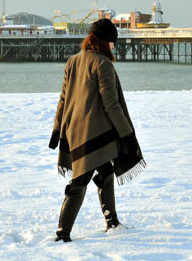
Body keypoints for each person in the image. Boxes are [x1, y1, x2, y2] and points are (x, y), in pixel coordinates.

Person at [48, 19, 146, 242]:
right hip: (93, 134)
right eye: (112, 42)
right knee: (79, 180)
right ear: (103, 41)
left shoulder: (72, 61)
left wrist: (57, 130)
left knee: (105, 172)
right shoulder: (103, 65)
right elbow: (111, 105)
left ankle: (112, 222)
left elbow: (63, 100)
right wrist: (127, 134)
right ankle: (63, 233)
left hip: (74, 130)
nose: (113, 46)